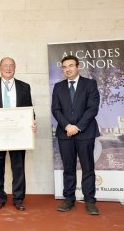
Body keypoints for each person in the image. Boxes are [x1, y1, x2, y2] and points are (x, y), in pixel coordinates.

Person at [0, 57, 37, 211]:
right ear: (0, 68)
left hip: (18, 134)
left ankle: (18, 199)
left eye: (11, 65)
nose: (8, 68)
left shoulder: (25, 87)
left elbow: (29, 109)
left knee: (18, 166)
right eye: (5, 65)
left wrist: (33, 121)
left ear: (15, 67)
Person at [51, 55, 100, 215]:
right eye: (64, 67)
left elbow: (93, 108)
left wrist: (77, 127)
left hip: (85, 132)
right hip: (65, 134)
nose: (68, 69)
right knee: (68, 168)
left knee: (88, 168)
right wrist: (67, 126)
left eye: (71, 66)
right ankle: (69, 200)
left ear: (78, 67)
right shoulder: (58, 87)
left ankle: (90, 201)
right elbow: (55, 109)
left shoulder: (90, 84)